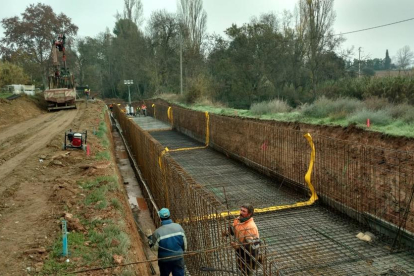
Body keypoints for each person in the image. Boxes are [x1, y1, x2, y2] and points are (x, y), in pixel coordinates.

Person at [147, 208, 187, 276]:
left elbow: (154, 248)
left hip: (164, 260)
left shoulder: (157, 232)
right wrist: (181, 253)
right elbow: (185, 244)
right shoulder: (179, 227)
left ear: (160, 218)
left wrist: (150, 238)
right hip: (178, 258)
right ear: (169, 216)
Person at [223, 204, 260, 276]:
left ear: (249, 214)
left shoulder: (251, 227)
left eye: (244, 211)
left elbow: (253, 245)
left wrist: (238, 247)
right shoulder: (238, 220)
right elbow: (234, 229)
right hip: (240, 250)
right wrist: (227, 232)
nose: (241, 212)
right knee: (240, 267)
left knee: (246, 271)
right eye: (241, 210)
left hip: (249, 254)